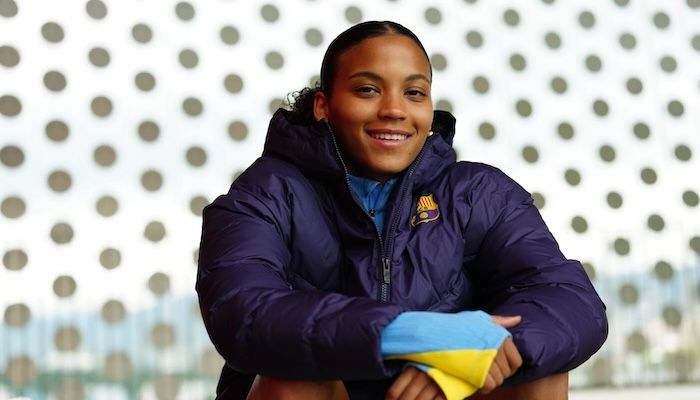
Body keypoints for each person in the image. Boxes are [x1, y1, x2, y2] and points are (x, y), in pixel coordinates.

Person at [196, 21, 608, 400]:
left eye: (414, 93)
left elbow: (569, 299)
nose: (395, 109)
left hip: (438, 393)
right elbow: (242, 312)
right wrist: (409, 334)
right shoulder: (265, 193)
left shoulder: (479, 192)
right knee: (293, 378)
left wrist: (476, 356)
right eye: (367, 90)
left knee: (539, 371)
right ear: (324, 105)